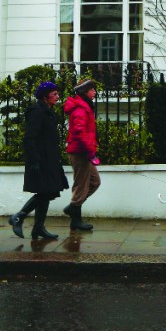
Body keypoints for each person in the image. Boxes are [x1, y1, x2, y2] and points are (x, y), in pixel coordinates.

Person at [8, 81, 69, 240]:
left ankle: (38, 228)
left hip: (50, 158)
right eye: (54, 94)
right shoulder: (37, 112)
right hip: (41, 160)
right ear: (44, 96)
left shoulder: (48, 111)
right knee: (46, 191)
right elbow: (30, 138)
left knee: (48, 192)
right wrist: (35, 160)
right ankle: (19, 216)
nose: (57, 97)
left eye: (57, 93)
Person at [62, 78, 100, 231]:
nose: (95, 92)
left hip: (84, 151)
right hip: (80, 152)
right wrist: (90, 151)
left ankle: (73, 207)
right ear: (84, 92)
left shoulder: (85, 106)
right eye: (92, 90)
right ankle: (75, 218)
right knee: (80, 185)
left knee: (94, 182)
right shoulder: (80, 108)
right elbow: (79, 131)